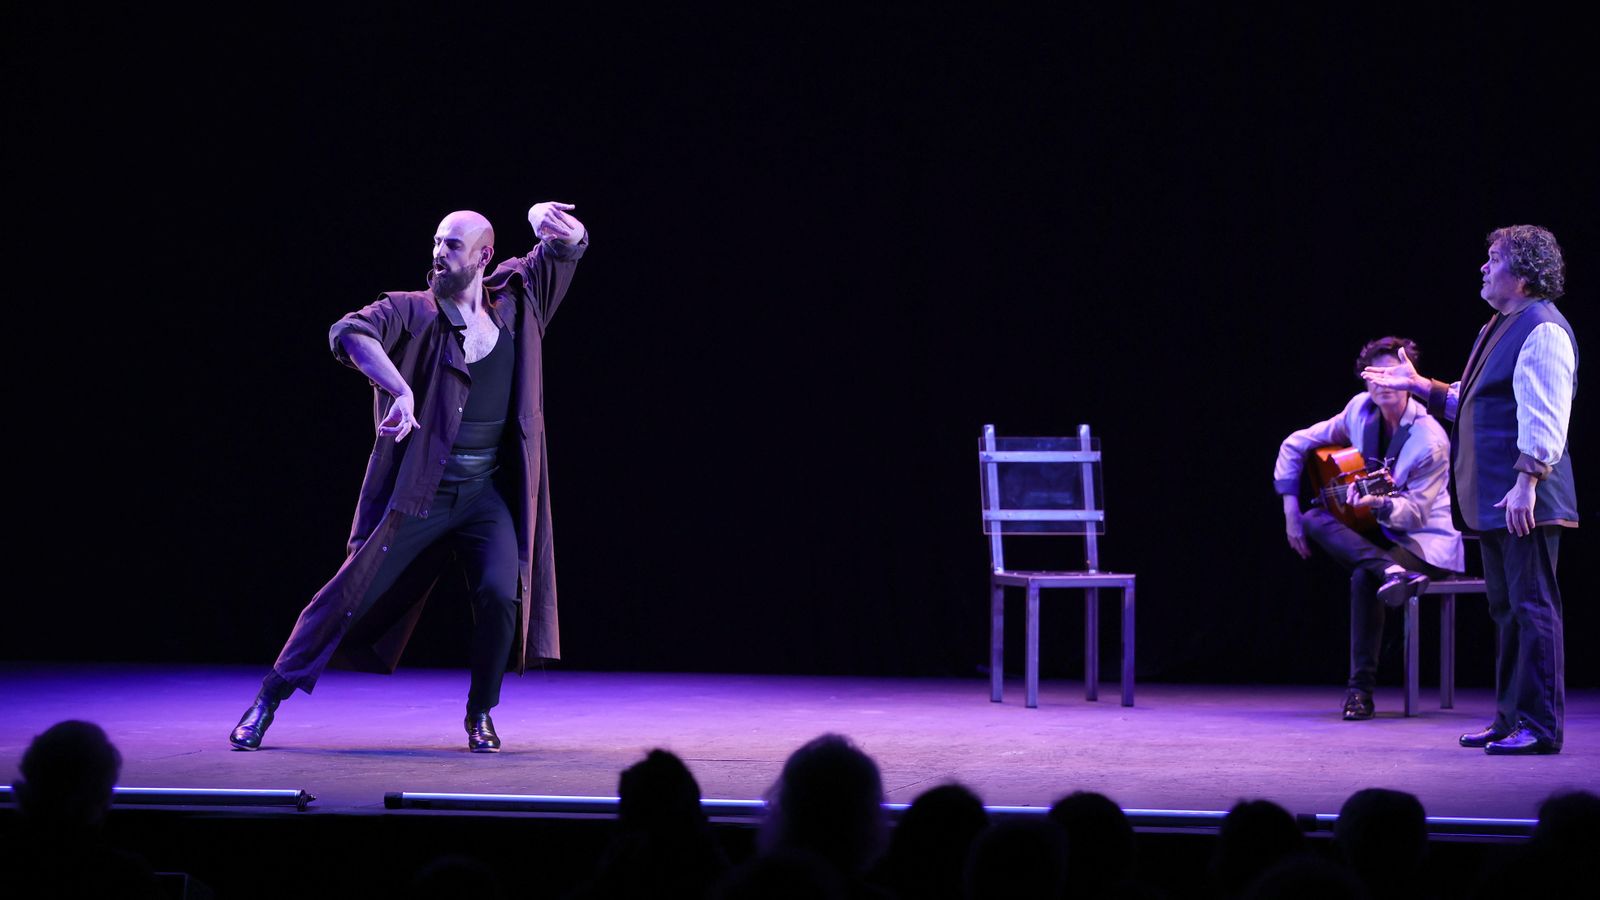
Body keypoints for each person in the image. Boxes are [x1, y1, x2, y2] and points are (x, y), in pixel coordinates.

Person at [229, 201, 588, 753]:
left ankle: (481, 714)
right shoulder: (414, 310)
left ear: (484, 255)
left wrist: (544, 215)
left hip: (483, 495)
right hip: (423, 490)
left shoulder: (518, 303)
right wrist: (398, 387)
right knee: (349, 592)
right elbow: (350, 332)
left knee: (500, 595)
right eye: (437, 242)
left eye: (451, 245)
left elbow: (565, 248)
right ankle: (269, 697)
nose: (438, 254)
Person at [1364, 225, 1577, 755]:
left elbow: (1546, 414)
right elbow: (1475, 402)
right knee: (1506, 611)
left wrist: (1528, 481)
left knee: (1533, 608)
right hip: (1499, 499)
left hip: (1526, 499)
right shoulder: (1499, 326)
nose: (1484, 267)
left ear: (1523, 275)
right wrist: (1420, 386)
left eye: (1494, 258)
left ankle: (1541, 726)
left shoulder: (1541, 328)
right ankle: (1510, 718)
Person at [1275, 336, 1464, 720]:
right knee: (1313, 517)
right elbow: (1295, 444)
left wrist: (1378, 503)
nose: (1382, 384)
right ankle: (1389, 570)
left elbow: (1414, 515)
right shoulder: (1359, 411)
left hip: (1425, 541)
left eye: (1392, 374)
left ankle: (1360, 691)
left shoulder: (1430, 439)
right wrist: (1290, 506)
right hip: (1380, 535)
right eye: (1373, 376)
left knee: (1365, 578)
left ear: (1408, 379)